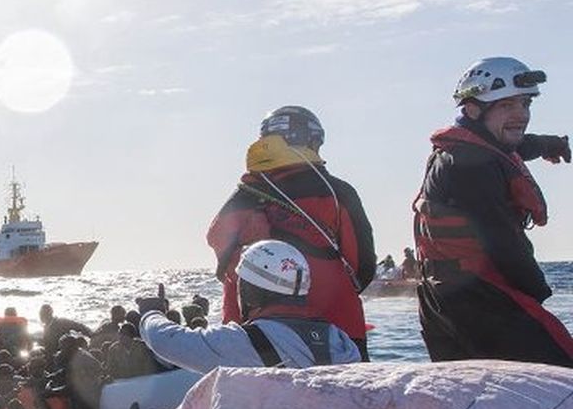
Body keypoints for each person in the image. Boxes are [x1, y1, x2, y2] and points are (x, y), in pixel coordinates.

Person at [414, 56, 573, 366]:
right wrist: (538, 295)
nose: (521, 115)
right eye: (507, 106)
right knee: (563, 377)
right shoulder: (470, 166)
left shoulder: (471, 148)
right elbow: (502, 244)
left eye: (525, 104)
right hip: (480, 299)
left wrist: (550, 144)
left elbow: (515, 145)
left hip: (441, 299)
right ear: (474, 108)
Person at [207, 106, 376, 359]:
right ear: (310, 141)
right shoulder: (337, 193)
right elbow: (362, 265)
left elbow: (218, 245)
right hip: (334, 327)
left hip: (252, 336)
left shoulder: (244, 194)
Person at [138, 240, 361, 371]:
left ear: (248, 292)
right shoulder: (339, 340)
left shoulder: (241, 341)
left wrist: (150, 313)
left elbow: (164, 340)